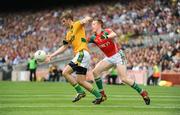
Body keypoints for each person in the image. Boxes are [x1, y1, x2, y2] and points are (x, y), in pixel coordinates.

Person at [88, 19, 150, 105]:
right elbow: (83, 41)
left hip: (118, 56)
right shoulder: (93, 37)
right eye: (92, 24)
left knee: (124, 79)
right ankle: (102, 95)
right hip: (109, 58)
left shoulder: (106, 31)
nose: (92, 26)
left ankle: (143, 92)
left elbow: (114, 34)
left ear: (99, 25)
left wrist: (105, 37)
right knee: (95, 72)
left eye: (94, 24)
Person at [46, 11, 103, 104]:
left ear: (69, 20)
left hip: (82, 53)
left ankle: (80, 92)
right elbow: (64, 47)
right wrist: (51, 55)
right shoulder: (68, 33)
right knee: (81, 81)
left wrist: (87, 19)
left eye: (64, 21)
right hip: (82, 55)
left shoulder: (77, 24)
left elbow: (87, 19)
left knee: (65, 72)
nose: (63, 23)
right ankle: (98, 96)